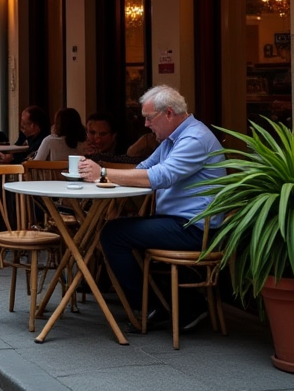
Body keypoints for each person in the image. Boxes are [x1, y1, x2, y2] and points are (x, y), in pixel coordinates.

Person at [79, 85, 226, 332]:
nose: (146, 125)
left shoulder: (194, 138)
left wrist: (103, 173)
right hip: (179, 221)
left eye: (149, 118)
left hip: (195, 229)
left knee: (113, 234)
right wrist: (102, 173)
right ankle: (174, 304)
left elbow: (161, 176)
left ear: (169, 113)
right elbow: (144, 167)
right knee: (117, 231)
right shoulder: (172, 139)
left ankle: (150, 307)